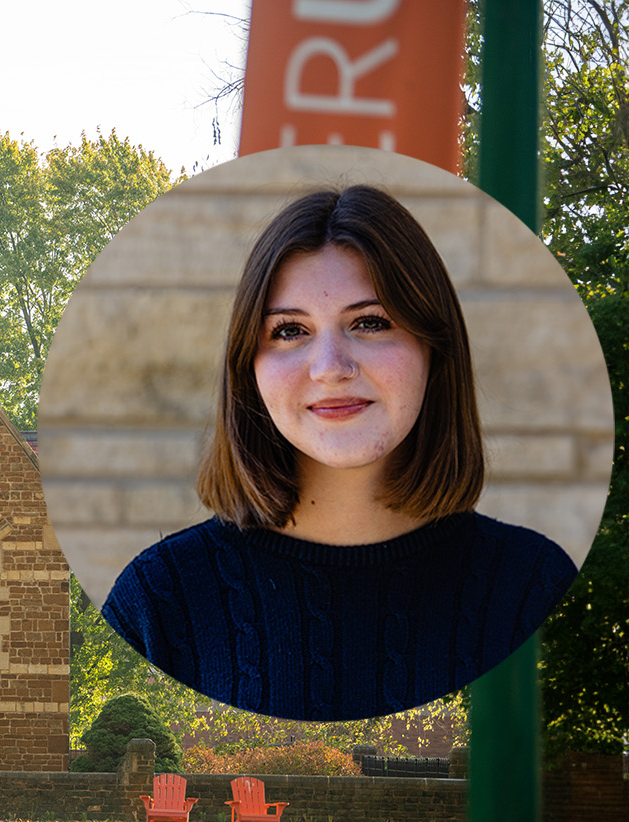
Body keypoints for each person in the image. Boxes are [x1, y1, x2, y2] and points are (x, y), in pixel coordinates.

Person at [101, 185, 577, 721]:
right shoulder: (157, 603)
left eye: (370, 322)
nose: (331, 366)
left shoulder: (537, 587)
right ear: (248, 369)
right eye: (289, 331)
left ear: (434, 350)